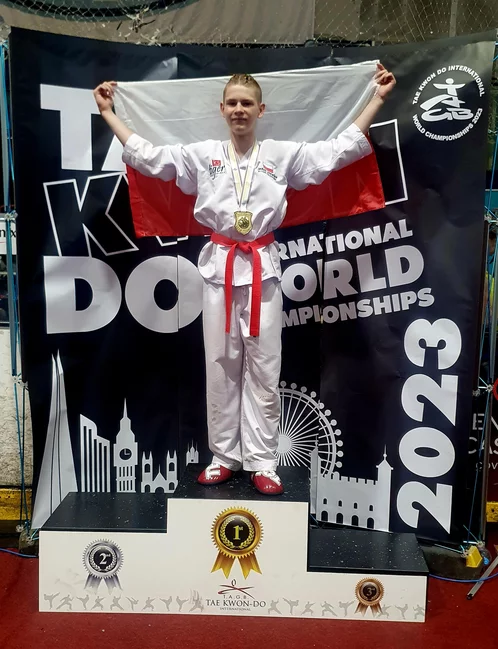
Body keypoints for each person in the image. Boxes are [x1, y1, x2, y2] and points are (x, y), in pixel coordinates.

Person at [93, 64, 396, 495]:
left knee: (265, 367)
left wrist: (376, 100)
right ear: (222, 109)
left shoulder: (280, 155)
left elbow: (335, 153)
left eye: (246, 103)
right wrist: (109, 113)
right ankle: (223, 456)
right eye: (232, 103)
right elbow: (150, 157)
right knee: (220, 364)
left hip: (262, 269)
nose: (239, 109)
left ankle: (262, 460)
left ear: (260, 110)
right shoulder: (203, 155)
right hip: (219, 268)